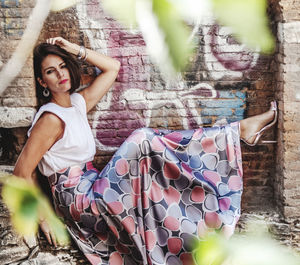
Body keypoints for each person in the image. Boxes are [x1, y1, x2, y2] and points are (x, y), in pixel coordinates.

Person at [13, 37, 277, 265]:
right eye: (50, 71)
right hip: (78, 201)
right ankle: (236, 132)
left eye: (62, 66)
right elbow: (22, 172)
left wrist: (74, 49)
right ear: (41, 81)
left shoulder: (76, 104)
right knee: (142, 140)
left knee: (151, 186)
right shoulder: (50, 119)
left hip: (91, 185)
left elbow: (112, 68)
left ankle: (195, 239)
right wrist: (42, 217)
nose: (60, 74)